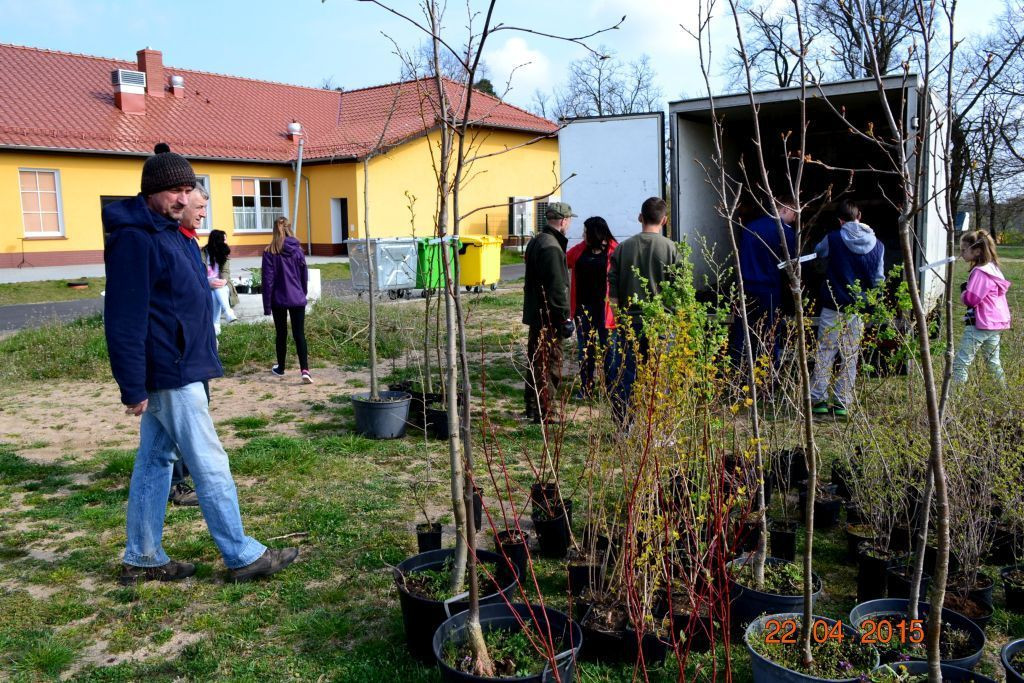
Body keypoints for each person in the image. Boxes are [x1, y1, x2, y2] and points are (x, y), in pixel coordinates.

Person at [103, 143, 298, 584]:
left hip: (183, 364)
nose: (182, 197)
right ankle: (241, 554)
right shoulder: (136, 240)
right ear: (151, 192)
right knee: (209, 461)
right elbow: (123, 318)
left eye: (187, 188)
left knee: (155, 462)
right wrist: (132, 385)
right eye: (173, 190)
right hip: (169, 371)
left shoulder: (172, 234)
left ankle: (143, 556)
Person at [809, 200, 885, 417]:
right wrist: (871, 302)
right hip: (858, 308)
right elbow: (879, 279)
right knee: (850, 355)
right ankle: (842, 402)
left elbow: (818, 252)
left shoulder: (833, 238)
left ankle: (819, 400)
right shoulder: (878, 245)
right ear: (859, 215)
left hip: (833, 305)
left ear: (839, 220)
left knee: (826, 352)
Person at [607, 197, 680, 422]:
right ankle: (657, 429)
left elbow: (613, 293)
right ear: (665, 220)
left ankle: (625, 426)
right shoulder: (671, 248)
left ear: (640, 217)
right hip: (661, 322)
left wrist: (620, 319)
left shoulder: (622, 249)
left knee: (628, 374)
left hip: (630, 322)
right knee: (661, 376)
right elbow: (678, 291)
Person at [728, 197, 798, 384]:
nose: (794, 218)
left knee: (742, 333)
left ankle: (737, 377)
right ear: (784, 209)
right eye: (793, 213)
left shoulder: (750, 228)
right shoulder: (785, 233)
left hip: (746, 287)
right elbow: (790, 266)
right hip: (769, 289)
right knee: (769, 334)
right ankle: (768, 378)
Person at [522, 202, 576, 423]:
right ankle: (546, 413)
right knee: (549, 363)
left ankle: (533, 408)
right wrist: (564, 317)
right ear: (563, 221)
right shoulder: (552, 246)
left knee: (536, 360)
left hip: (537, 312)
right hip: (549, 316)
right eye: (569, 220)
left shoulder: (538, 240)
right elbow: (557, 286)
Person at [566, 216, 618, 399]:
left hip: (606, 311)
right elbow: (565, 261)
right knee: (585, 349)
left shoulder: (614, 251)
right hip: (583, 309)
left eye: (586, 231)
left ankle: (610, 388)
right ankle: (586, 388)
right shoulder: (580, 250)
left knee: (608, 349)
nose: (583, 234)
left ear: (594, 233)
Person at [952, 229, 1011, 385]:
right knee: (993, 362)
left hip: (980, 323)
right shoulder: (993, 268)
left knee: (960, 363)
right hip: (995, 323)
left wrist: (964, 291)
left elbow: (971, 299)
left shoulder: (980, 272)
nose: (961, 253)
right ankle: (1003, 394)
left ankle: (953, 400)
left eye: (964, 250)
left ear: (977, 251)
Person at [262, 217, 311, 384]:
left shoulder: (270, 252)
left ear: (274, 231)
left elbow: (267, 281)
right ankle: (305, 370)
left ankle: (281, 368)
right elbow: (304, 276)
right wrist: (302, 293)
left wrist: (267, 306)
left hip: (278, 299)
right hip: (297, 297)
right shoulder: (298, 250)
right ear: (290, 229)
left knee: (281, 333)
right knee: (300, 334)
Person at [202, 229, 238, 335]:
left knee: (218, 289)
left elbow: (226, 272)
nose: (226, 242)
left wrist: (224, 280)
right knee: (213, 294)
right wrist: (208, 283)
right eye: (224, 240)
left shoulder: (223, 252)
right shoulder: (202, 254)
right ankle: (227, 313)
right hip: (207, 285)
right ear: (217, 241)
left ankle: (216, 325)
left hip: (222, 286)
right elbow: (199, 273)